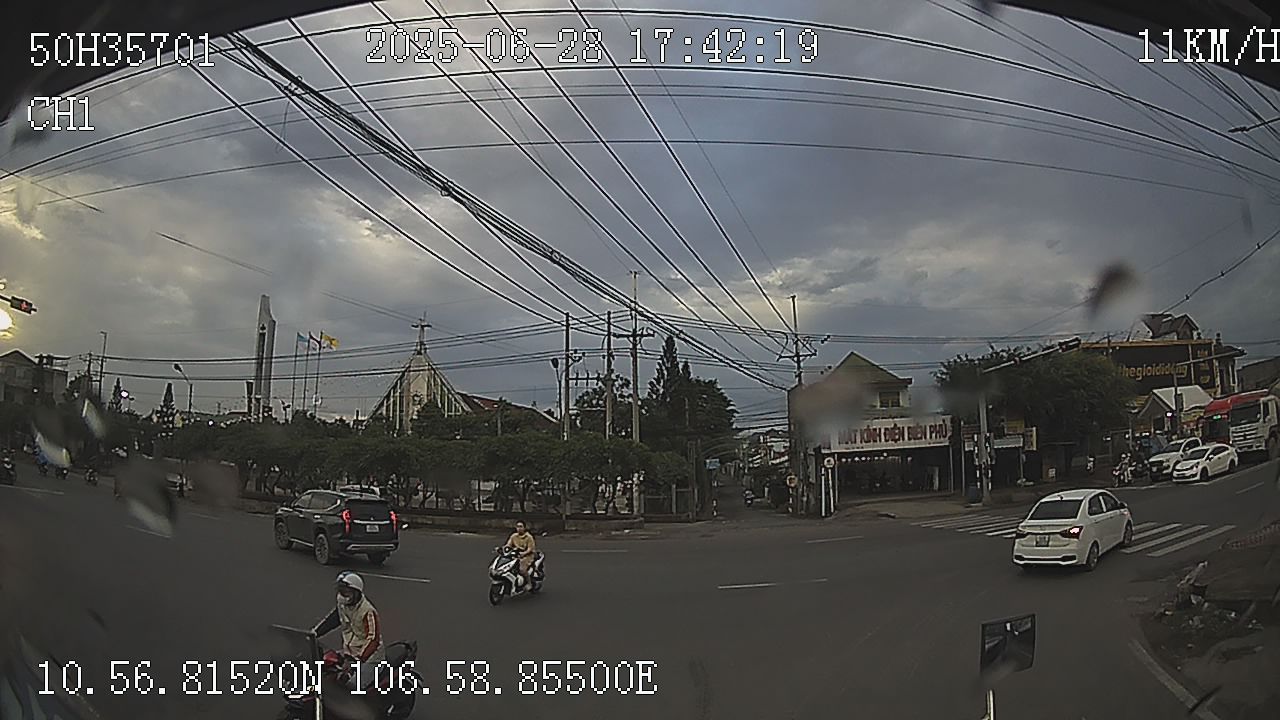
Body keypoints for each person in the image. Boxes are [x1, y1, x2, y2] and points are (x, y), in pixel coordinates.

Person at [313, 571, 385, 689]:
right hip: (349, 652)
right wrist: (314, 633)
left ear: (356, 593)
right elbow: (332, 620)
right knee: (327, 671)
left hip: (369, 657)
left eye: (346, 592)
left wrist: (357, 660)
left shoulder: (367, 611)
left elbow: (373, 640)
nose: (342, 595)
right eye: (340, 591)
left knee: (352, 687)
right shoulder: (343, 605)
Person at [504, 521, 537, 588]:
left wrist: (523, 553)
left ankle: (529, 583)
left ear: (524, 528)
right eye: (517, 527)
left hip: (527, 556)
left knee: (522, 569)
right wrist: (503, 548)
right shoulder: (514, 536)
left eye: (521, 526)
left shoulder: (529, 537)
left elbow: (530, 549)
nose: (519, 528)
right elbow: (508, 545)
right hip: (516, 555)